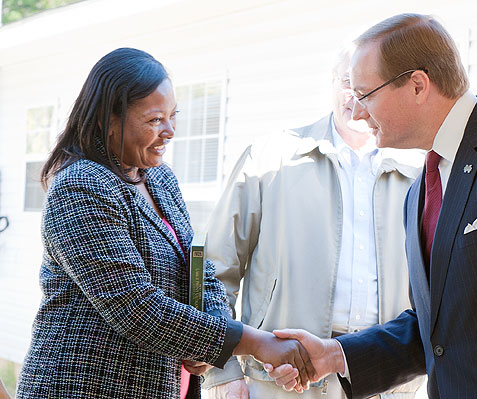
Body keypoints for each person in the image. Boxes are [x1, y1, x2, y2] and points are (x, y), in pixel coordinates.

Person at [267, 13, 477, 398]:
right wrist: (335, 355)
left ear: (418, 85)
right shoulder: (418, 194)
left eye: (365, 95)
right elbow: (438, 329)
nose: (357, 113)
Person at [15, 47, 313, 399]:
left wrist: (211, 336)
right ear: (105, 120)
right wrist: (250, 341)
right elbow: (134, 306)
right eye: (155, 119)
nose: (170, 131)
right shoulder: (81, 186)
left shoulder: (159, 179)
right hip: (86, 386)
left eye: (174, 116)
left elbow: (198, 266)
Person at [202, 47, 425, 399]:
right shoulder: (268, 158)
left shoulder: (421, 173)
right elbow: (215, 269)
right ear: (332, 84)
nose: (358, 95)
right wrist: (223, 370)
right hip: (281, 380)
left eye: (372, 85)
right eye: (349, 82)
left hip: (385, 383)